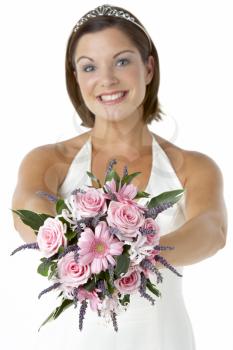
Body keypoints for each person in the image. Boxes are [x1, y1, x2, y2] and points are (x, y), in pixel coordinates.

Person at [11, 4, 227, 350]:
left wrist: (136, 253)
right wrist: (78, 247)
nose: (107, 79)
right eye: (89, 67)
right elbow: (28, 210)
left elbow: (212, 229)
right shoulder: (48, 159)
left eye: (122, 61)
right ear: (76, 77)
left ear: (149, 67)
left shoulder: (192, 166)